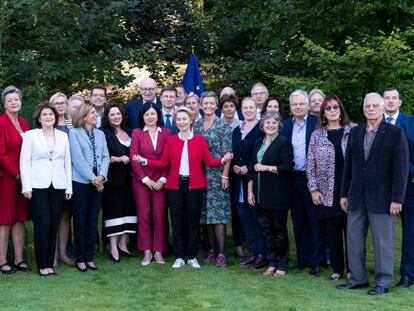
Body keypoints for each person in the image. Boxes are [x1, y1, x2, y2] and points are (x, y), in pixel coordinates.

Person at [135, 107, 233, 269]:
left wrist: (223, 159)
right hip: (175, 185)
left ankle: (192, 256)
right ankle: (180, 256)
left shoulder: (200, 140)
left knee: (193, 222)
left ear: (191, 120)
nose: (181, 122)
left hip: (195, 185)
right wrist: (146, 161)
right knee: (177, 221)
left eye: (184, 119)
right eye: (178, 119)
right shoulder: (171, 140)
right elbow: (163, 163)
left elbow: (209, 161)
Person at [337, 92, 409, 295]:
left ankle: (383, 282)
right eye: (367, 106)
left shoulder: (395, 133)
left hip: (384, 198)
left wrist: (397, 199)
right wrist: (344, 194)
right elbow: (348, 167)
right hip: (356, 197)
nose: (370, 109)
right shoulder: (355, 132)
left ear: (383, 107)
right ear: (363, 109)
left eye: (374, 105)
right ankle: (358, 279)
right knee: (353, 239)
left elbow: (401, 169)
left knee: (383, 242)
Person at [306, 96, 356, 281]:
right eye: (328, 108)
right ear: (324, 113)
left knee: (352, 233)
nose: (333, 110)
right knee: (333, 233)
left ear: (341, 110)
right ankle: (337, 269)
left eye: (336, 107)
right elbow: (310, 164)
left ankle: (353, 268)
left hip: (350, 190)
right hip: (327, 192)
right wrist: (313, 189)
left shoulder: (354, 131)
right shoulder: (317, 135)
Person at [20, 102, 72, 276]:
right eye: (45, 115)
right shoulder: (30, 136)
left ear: (55, 117)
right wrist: (26, 187)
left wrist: (68, 187)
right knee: (42, 224)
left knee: (54, 224)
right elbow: (24, 163)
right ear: (39, 118)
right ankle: (42, 265)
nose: (48, 117)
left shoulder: (63, 136)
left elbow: (67, 163)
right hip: (37, 186)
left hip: (59, 185)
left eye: (51, 114)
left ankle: (50, 264)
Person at [247, 112, 293, 276]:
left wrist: (267, 168)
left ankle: (282, 263)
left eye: (274, 123)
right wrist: (250, 191)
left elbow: (288, 167)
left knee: (279, 231)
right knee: (266, 231)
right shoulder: (259, 142)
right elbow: (253, 168)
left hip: (278, 194)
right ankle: (272, 262)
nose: (271, 125)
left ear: (279, 125)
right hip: (260, 194)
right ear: (263, 125)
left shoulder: (283, 142)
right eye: (268, 123)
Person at [280, 90, 320, 276]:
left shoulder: (317, 123)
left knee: (314, 221)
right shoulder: (285, 126)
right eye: (294, 104)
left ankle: (316, 262)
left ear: (308, 106)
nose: (298, 107)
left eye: (301, 104)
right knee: (297, 221)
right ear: (290, 107)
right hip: (291, 179)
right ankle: (302, 259)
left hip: (311, 179)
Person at [69, 103, 109, 272]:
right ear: (84, 116)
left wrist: (101, 177)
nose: (95, 115)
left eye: (95, 113)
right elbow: (77, 160)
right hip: (81, 182)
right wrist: (94, 179)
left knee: (92, 220)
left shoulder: (100, 134)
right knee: (80, 220)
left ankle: (89, 256)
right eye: (92, 113)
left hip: (98, 181)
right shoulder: (74, 133)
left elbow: (106, 156)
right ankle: (80, 258)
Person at [194, 91, 232, 268]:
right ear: (201, 106)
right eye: (205, 103)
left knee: (219, 215)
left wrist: (225, 174)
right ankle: (211, 250)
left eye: (211, 103)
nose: (208, 106)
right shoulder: (197, 125)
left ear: (216, 106)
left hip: (217, 174)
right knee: (206, 213)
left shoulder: (223, 125)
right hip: (200, 174)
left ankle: (222, 253)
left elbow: (228, 153)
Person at [130, 103, 171, 265]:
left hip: (160, 181)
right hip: (141, 181)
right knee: (144, 215)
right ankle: (147, 251)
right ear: (142, 117)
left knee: (159, 216)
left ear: (158, 115)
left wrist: (162, 179)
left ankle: (159, 251)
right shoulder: (137, 133)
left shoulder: (167, 133)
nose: (150, 117)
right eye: (147, 114)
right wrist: (146, 180)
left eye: (153, 113)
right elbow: (134, 157)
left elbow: (169, 159)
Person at [384, 88, 414, 288]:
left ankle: (408, 273)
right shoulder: (374, 123)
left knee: (410, 232)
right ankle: (382, 270)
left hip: (409, 186)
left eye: (394, 98)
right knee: (382, 231)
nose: (391, 101)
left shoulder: (411, 122)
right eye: (387, 98)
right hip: (382, 188)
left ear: (400, 102)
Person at [232, 97, 266, 268]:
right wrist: (234, 167)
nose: (248, 110)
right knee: (245, 218)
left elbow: (264, 154)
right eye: (245, 108)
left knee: (257, 218)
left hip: (254, 181)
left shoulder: (261, 129)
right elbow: (234, 152)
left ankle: (262, 254)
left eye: (251, 107)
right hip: (239, 182)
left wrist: (248, 167)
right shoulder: (237, 130)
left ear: (256, 109)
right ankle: (253, 253)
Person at [100, 103, 136, 262]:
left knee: (128, 212)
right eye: (112, 114)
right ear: (107, 117)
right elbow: (100, 156)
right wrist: (116, 159)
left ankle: (123, 244)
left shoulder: (130, 132)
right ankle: (113, 247)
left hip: (130, 180)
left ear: (122, 115)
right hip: (113, 181)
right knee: (114, 213)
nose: (116, 117)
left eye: (118, 114)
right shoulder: (104, 133)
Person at [0, 86, 31, 274]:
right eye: (9, 100)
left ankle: (19, 259)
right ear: (4, 103)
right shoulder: (1, 123)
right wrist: (17, 174)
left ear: (20, 101)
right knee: (5, 219)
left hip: (24, 178)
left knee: (20, 217)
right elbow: (1, 155)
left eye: (16, 99)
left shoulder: (24, 123)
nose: (13, 102)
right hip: (6, 178)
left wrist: (26, 175)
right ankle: (2, 260)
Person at [49, 92, 75, 266]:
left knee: (65, 215)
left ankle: (63, 253)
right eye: (56, 103)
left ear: (66, 105)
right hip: (52, 175)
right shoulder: (47, 124)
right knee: (52, 215)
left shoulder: (72, 125)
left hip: (71, 174)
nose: (60, 106)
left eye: (63, 103)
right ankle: (51, 255)